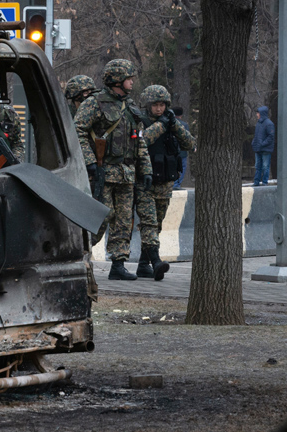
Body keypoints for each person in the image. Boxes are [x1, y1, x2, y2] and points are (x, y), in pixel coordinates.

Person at [74, 59, 152, 281]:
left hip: (127, 173)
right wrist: (89, 160)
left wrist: (145, 169)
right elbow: (78, 130)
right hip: (103, 172)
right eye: (128, 78)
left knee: (125, 220)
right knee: (101, 217)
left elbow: (140, 140)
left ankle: (118, 264)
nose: (132, 82)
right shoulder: (94, 103)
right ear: (117, 79)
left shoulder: (130, 106)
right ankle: (79, 257)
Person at [134, 85, 196, 280]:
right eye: (155, 105)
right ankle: (156, 262)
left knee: (157, 225)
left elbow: (190, 144)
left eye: (162, 105)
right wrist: (161, 124)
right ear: (147, 105)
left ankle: (144, 264)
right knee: (149, 224)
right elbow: (141, 141)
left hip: (165, 183)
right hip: (144, 182)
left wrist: (174, 125)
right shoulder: (140, 121)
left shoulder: (170, 122)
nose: (159, 109)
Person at [252, 105, 275, 186]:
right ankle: (256, 182)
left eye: (258, 113)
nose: (257, 115)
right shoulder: (259, 123)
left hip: (265, 149)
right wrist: (254, 143)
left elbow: (271, 137)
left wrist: (262, 144)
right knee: (258, 166)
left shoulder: (269, 124)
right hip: (258, 148)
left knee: (265, 166)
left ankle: (264, 182)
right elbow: (256, 135)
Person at [172, 107, 190, 190]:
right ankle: (177, 184)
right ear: (181, 115)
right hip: (182, 151)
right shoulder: (184, 125)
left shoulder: (168, 123)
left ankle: (172, 183)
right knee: (182, 167)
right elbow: (187, 138)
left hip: (171, 150)